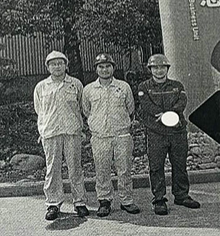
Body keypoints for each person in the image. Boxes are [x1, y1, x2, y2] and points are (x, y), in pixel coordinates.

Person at [134, 54, 201, 215]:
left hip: (177, 132)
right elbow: (147, 106)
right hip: (156, 132)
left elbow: (181, 103)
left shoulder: (177, 86)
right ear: (150, 69)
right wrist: (164, 114)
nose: (159, 71)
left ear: (167, 69)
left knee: (179, 164)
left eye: (162, 67)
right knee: (156, 166)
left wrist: (168, 113)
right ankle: (159, 199)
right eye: (155, 68)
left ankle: (181, 195)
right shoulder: (144, 87)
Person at [82, 53, 140, 217]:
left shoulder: (123, 87)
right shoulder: (89, 89)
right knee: (102, 169)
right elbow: (86, 111)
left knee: (124, 169)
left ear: (113, 68)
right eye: (101, 66)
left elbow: (130, 108)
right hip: (100, 136)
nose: (104, 69)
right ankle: (104, 201)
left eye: (108, 66)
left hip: (121, 135)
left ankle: (126, 200)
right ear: (96, 69)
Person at [33, 50, 89, 220]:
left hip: (72, 131)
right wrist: (43, 129)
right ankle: (53, 203)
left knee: (75, 168)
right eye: (53, 64)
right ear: (48, 67)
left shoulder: (75, 84)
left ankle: (79, 202)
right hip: (51, 132)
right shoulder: (41, 87)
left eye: (60, 63)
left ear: (66, 65)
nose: (57, 66)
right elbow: (39, 110)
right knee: (52, 169)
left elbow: (82, 106)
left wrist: (80, 127)